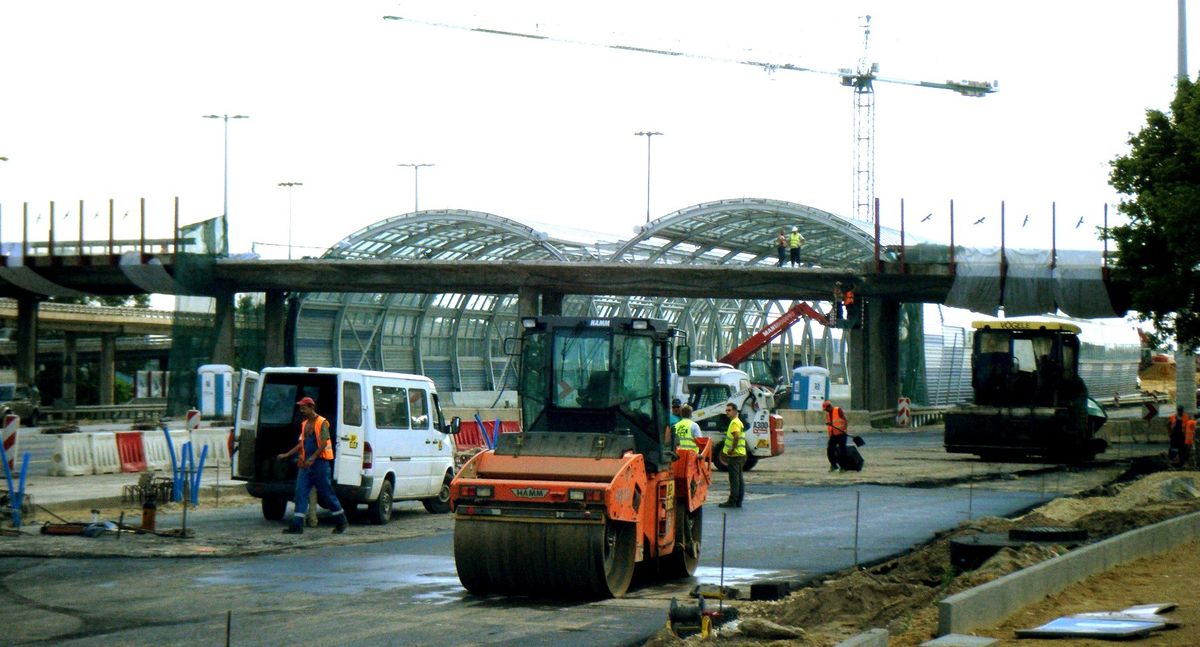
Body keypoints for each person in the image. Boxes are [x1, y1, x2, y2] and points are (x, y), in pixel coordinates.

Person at [277, 396, 349, 534]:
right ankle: (297, 525)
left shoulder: (322, 422)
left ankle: (341, 521)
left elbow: (323, 443)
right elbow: (302, 443)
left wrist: (313, 458)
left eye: (304, 408)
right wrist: (288, 454)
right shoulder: (304, 424)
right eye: (300, 408)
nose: (301, 410)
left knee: (327, 493)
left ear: (311, 407)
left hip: (320, 464)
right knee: (300, 493)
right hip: (305, 465)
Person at [719, 403, 746, 508]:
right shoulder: (738, 422)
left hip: (735, 455)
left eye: (729, 410)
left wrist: (732, 449)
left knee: (734, 479)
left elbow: (736, 437)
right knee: (739, 478)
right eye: (726, 410)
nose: (727, 412)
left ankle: (732, 500)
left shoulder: (734, 423)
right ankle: (738, 500)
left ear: (735, 411)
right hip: (740, 454)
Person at [823, 399, 848, 472]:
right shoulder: (828, 414)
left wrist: (844, 429)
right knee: (830, 450)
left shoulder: (838, 410)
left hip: (841, 434)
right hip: (833, 435)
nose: (825, 411)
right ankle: (833, 465)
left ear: (829, 407)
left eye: (826, 409)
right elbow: (830, 423)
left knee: (842, 451)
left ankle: (843, 467)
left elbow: (845, 420)